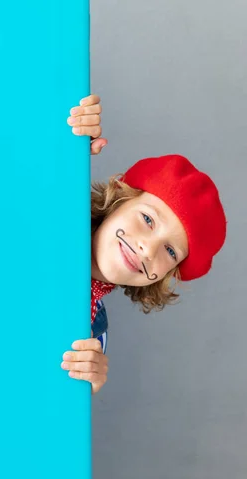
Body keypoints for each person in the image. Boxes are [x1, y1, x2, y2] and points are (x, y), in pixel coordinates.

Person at [60, 95, 227, 394]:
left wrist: (82, 392)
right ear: (118, 200)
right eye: (148, 220)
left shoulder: (92, 333)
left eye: (170, 251)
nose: (148, 250)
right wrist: (64, 143)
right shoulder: (51, 213)